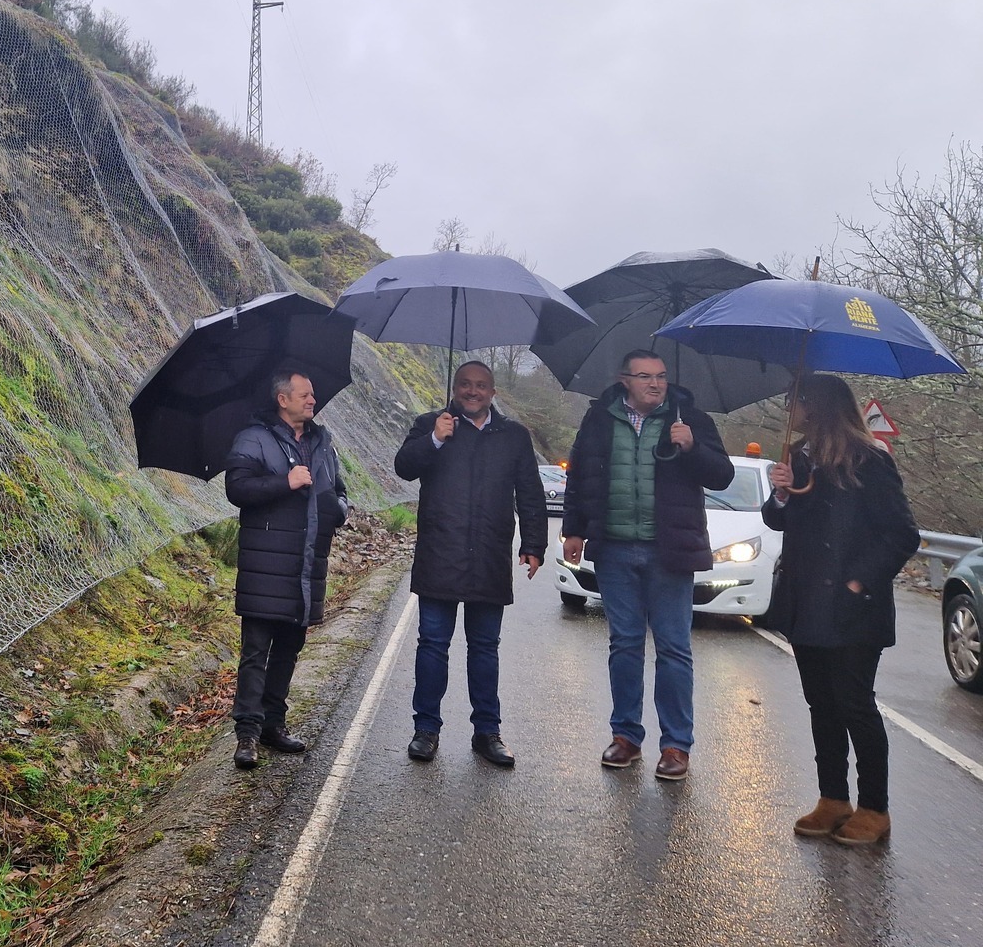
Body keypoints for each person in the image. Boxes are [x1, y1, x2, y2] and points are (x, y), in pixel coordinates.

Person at [561, 349, 734, 780]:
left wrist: (691, 446)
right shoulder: (599, 419)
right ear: (625, 380)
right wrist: (575, 531)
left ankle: (676, 745)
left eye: (660, 376)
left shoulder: (690, 419)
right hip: (616, 548)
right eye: (644, 377)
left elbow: (722, 476)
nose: (655, 384)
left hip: (669, 551)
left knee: (674, 648)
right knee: (624, 644)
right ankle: (626, 737)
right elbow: (580, 476)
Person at [763, 373, 919, 845]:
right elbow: (777, 519)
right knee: (822, 706)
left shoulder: (869, 461)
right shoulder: (799, 457)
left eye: (797, 401)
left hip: (853, 609)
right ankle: (833, 799)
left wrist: (857, 582)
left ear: (820, 405)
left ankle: (875, 808)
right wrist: (782, 492)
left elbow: (902, 535)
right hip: (806, 603)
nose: (792, 409)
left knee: (855, 706)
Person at [394, 360, 548, 766]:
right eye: (465, 384)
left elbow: (530, 493)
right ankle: (426, 729)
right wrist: (434, 439)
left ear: (492, 392)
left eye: (481, 385)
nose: (472, 391)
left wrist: (534, 543)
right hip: (439, 554)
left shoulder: (513, 435)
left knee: (484, 648)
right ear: (456, 388)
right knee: (432, 646)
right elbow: (404, 467)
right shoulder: (432, 423)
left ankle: (487, 732)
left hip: (489, 554)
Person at [223, 368, 349, 769]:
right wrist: (285, 481)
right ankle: (247, 734)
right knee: (256, 652)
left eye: (312, 394)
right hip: (265, 565)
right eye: (305, 394)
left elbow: (339, 490)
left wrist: (338, 511)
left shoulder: (322, 443)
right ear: (283, 399)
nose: (313, 400)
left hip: (307, 565)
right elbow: (237, 489)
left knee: (289, 651)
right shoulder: (253, 438)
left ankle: (274, 724)